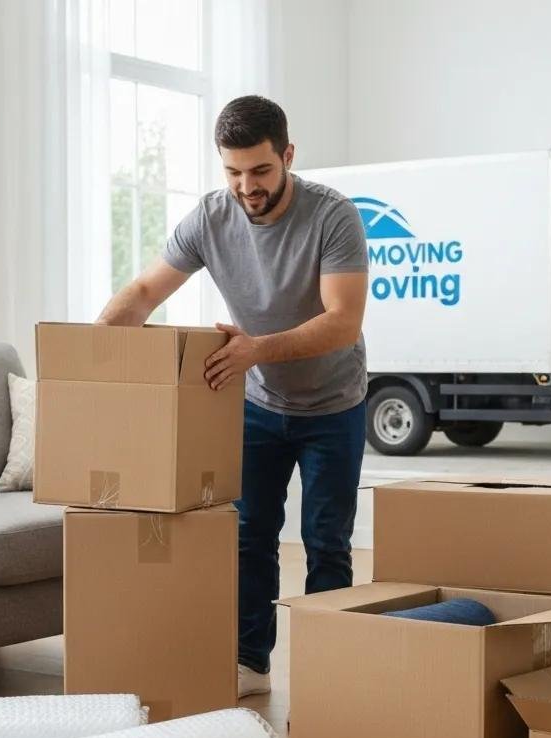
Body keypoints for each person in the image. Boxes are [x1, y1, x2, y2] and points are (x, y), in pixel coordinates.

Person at [97, 95, 368, 698]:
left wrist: (256, 350)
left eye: (261, 171)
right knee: (250, 536)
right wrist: (90, 360)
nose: (247, 186)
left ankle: (332, 675)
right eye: (233, 172)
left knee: (326, 542)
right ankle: (252, 663)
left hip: (334, 405)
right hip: (258, 405)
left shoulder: (333, 216)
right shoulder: (210, 218)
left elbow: (344, 320)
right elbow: (144, 291)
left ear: (288, 156)